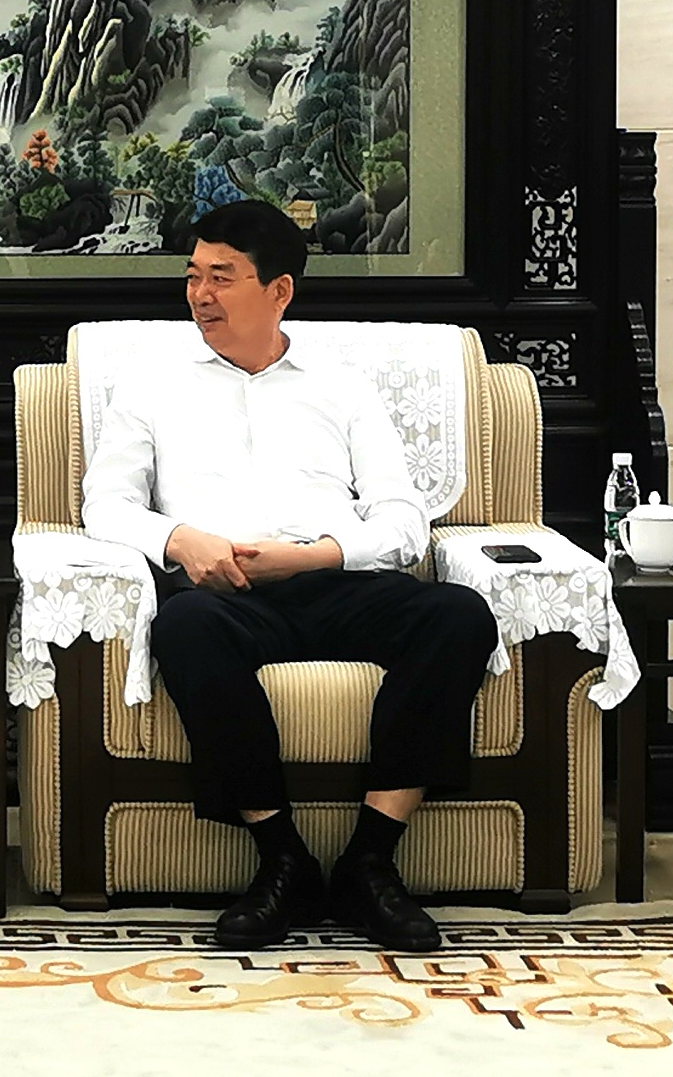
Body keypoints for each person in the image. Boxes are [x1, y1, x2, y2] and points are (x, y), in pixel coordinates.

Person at [81, 198, 497, 953]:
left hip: (336, 580)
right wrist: (180, 539)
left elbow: (404, 521)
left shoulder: (342, 386)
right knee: (184, 628)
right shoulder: (153, 384)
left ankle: (371, 862)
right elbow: (105, 505)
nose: (200, 294)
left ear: (279, 291)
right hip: (225, 594)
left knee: (458, 616)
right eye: (193, 276)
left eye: (222, 277)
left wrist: (316, 555)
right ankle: (282, 860)